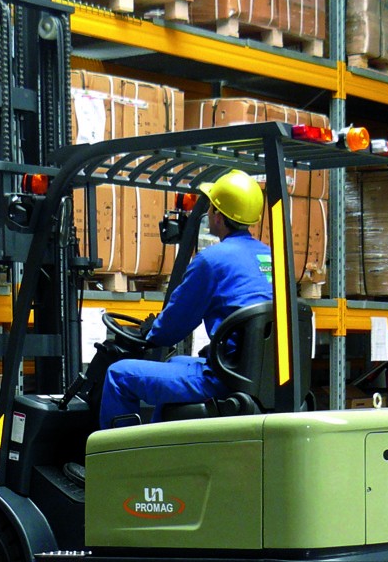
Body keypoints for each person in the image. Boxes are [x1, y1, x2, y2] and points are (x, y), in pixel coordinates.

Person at [98, 169, 273, 429]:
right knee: (176, 362)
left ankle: (122, 456)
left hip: (223, 379)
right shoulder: (272, 258)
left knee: (118, 375)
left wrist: (151, 332)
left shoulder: (212, 261)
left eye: (211, 207)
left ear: (218, 214)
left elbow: (174, 326)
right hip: (257, 375)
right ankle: (164, 445)